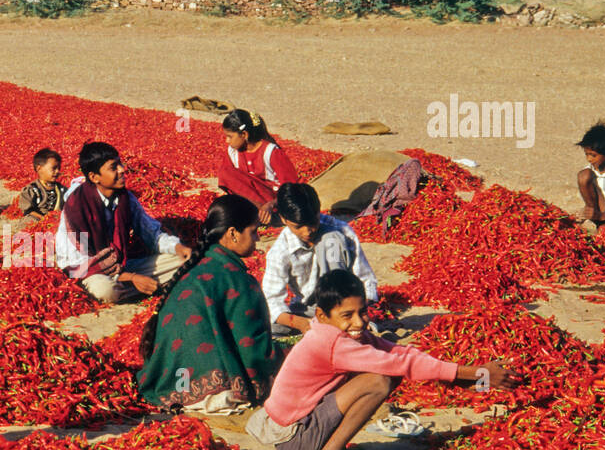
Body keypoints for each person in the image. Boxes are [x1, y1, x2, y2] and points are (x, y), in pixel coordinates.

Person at [246, 269, 523, 450]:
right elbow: (399, 364)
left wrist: (468, 377)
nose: (359, 322)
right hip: (296, 440)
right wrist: (475, 373)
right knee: (378, 380)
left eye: (362, 312)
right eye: (347, 315)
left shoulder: (335, 331)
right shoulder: (331, 343)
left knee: (389, 373)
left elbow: (400, 352)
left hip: (302, 427)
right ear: (322, 314)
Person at [136, 195, 280, 413]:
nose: (258, 238)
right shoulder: (238, 280)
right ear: (232, 234)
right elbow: (252, 347)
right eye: (253, 231)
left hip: (173, 382)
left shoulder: (194, 270)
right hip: (211, 391)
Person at [55, 141, 192, 304]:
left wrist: (177, 247)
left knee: (182, 261)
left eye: (119, 164)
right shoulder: (76, 207)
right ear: (94, 177)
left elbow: (152, 234)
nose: (122, 169)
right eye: (113, 167)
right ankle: (144, 286)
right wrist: (131, 277)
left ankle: (139, 287)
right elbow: (75, 263)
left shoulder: (125, 198)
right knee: (106, 290)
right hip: (92, 270)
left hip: (121, 265)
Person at [262, 182, 378, 337]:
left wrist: (353, 313)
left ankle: (344, 316)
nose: (308, 231)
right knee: (268, 328)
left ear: (319, 211)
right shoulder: (280, 250)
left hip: (345, 305)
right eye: (298, 227)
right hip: (306, 311)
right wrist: (303, 324)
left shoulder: (341, 230)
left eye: (313, 222)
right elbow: (272, 301)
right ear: (283, 219)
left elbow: (365, 280)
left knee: (331, 238)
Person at [216, 109, 300, 225]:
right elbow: (233, 183)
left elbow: (292, 187)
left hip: (275, 200)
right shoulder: (233, 152)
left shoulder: (271, 152)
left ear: (244, 134)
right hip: (254, 199)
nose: (227, 141)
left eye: (230, 136)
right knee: (226, 173)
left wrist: (271, 204)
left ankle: (271, 217)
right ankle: (258, 215)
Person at [16, 147, 66, 216]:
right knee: (29, 220)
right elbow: (28, 210)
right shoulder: (32, 189)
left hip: (56, 219)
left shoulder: (61, 189)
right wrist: (43, 219)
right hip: (37, 219)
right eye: (54, 168)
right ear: (39, 168)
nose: (57, 171)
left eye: (59, 168)